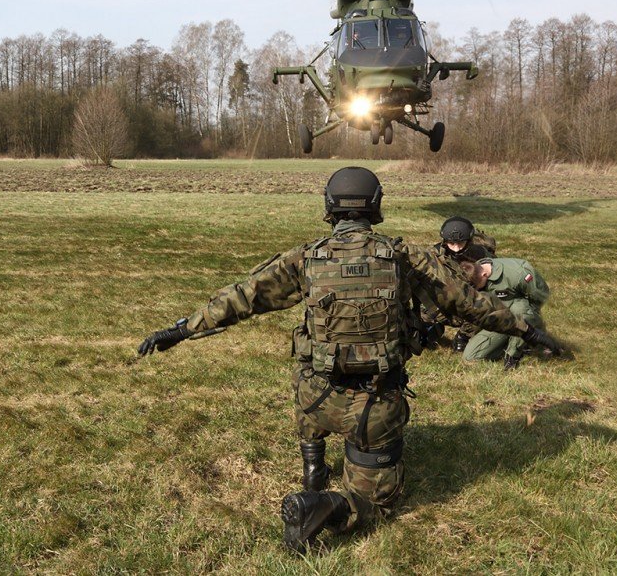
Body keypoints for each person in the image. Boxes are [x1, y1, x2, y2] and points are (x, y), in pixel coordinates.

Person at [137, 167, 560, 554]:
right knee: (377, 506)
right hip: (374, 405)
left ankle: (313, 465)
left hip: (314, 399)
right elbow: (472, 306)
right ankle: (319, 503)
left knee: (306, 374)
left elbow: (241, 297)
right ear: (375, 206)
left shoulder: (305, 258)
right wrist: (528, 330)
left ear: (329, 206)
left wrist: (179, 330)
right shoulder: (407, 258)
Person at [461, 256, 551, 369]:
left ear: (484, 275)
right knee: (470, 357)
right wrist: (464, 334)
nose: (475, 290)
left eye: (475, 287)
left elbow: (540, 295)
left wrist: (533, 321)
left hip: (522, 317)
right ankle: (507, 342)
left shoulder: (518, 273)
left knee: (522, 312)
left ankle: (519, 349)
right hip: (500, 321)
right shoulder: (473, 270)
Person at [430, 217, 497, 352]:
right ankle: (432, 329)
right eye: (451, 243)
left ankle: (464, 336)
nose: (456, 249)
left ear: (469, 240)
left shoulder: (482, 255)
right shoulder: (434, 254)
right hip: (442, 302)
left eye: (460, 243)